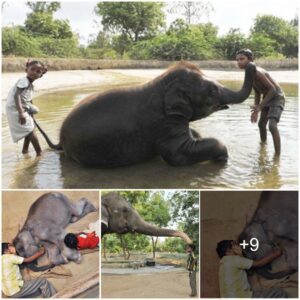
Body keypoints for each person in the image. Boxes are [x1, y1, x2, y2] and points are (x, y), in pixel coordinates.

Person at [236, 49, 285, 155]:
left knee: (272, 126)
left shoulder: (257, 72)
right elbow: (257, 92)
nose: (239, 62)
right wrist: (256, 110)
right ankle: (263, 148)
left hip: (277, 97)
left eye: (242, 59)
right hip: (267, 98)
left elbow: (273, 89)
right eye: (237, 60)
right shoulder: (249, 73)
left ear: (250, 59)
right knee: (261, 124)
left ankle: (277, 156)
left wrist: (260, 106)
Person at [216, 240, 288, 298]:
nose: (239, 246)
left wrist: (241, 254)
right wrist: (277, 253)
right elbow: (258, 263)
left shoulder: (223, 264)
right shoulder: (234, 259)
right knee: (279, 293)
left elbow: (248, 271)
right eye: (235, 244)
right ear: (228, 251)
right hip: (241, 297)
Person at [6, 60, 47, 156]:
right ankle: (39, 153)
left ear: (40, 75)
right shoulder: (24, 81)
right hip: (16, 108)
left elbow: (28, 99)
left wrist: (31, 113)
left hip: (23, 106)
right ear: (26, 70)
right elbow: (17, 96)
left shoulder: (30, 82)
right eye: (32, 69)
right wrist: (21, 113)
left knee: (30, 126)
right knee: (30, 130)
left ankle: (25, 150)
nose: (34, 73)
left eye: (38, 71)